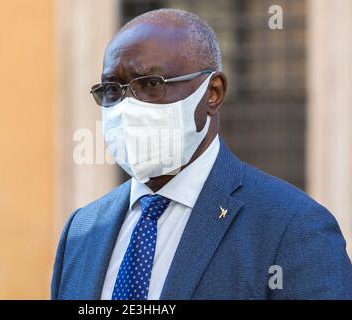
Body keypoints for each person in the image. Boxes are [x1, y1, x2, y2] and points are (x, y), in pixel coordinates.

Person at [51, 8, 352, 300]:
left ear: (213, 93)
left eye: (151, 84)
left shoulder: (293, 227)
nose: (128, 106)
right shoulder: (82, 230)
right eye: (112, 89)